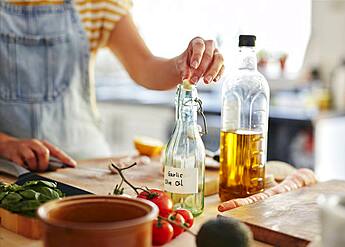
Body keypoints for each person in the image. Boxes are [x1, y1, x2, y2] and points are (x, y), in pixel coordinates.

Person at [0, 0, 224, 172]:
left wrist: (181, 65)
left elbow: (146, 67)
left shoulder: (97, 3)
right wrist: (6, 144)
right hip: (7, 170)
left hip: (83, 165)